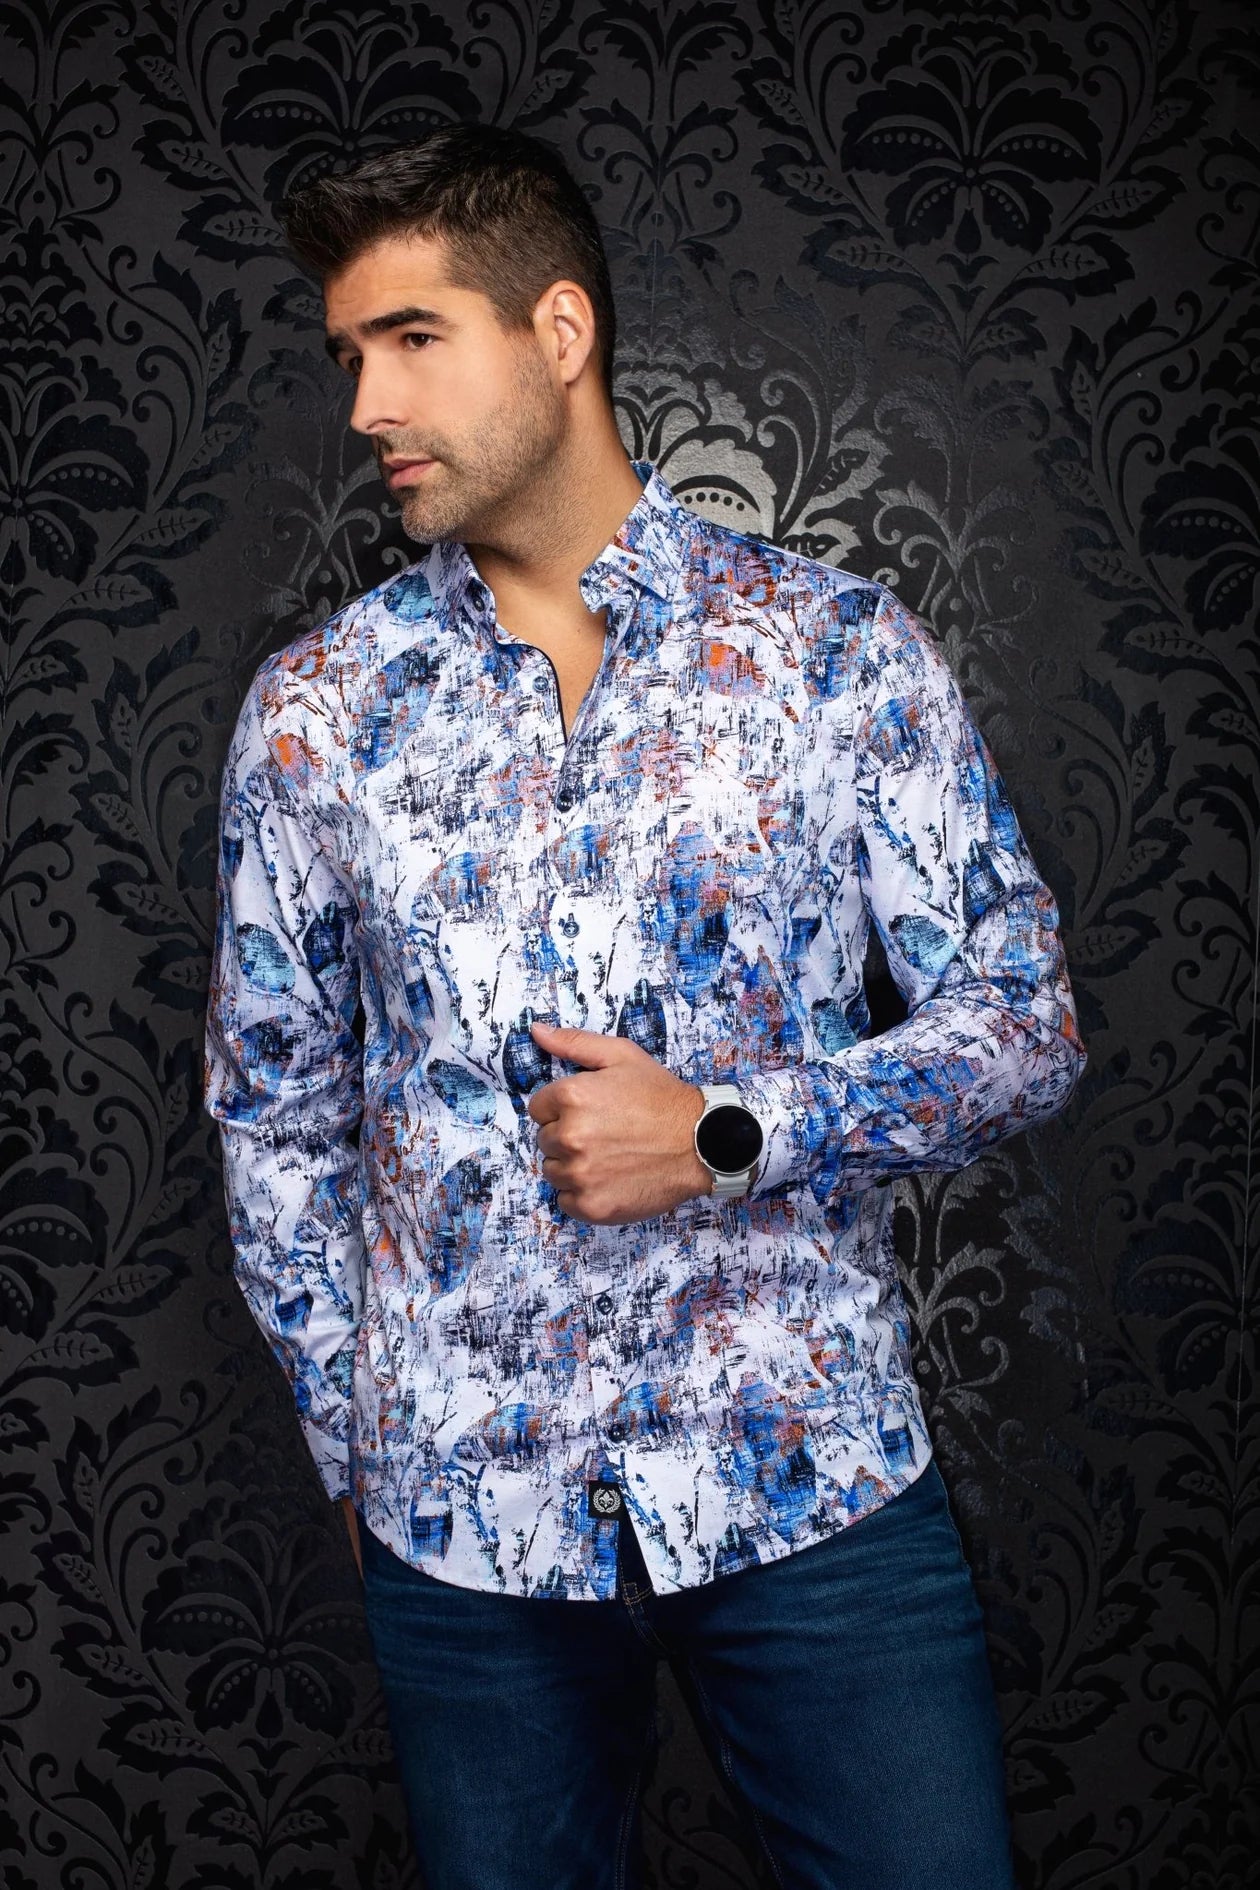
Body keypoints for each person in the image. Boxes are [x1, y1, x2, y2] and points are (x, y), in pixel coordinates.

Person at [204, 122, 1086, 1890]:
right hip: (466, 1533)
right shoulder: (314, 714)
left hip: (810, 1487)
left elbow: (1024, 1017)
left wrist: (730, 1133)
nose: (368, 403)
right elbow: (274, 1108)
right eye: (350, 353)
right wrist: (358, 1447)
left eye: (413, 338)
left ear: (559, 329)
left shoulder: (832, 652)